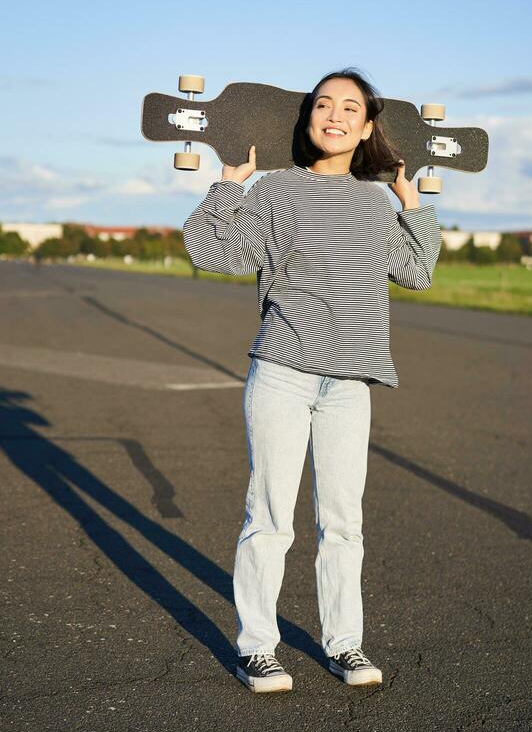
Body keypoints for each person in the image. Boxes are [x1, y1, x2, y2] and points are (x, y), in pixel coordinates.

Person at [182, 67, 442, 693]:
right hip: (283, 373)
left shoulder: (377, 202)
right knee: (271, 517)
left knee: (343, 521)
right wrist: (227, 188)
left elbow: (419, 273)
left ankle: (344, 645)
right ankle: (258, 647)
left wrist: (412, 202)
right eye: (322, 105)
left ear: (367, 127)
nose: (334, 115)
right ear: (306, 122)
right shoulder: (276, 187)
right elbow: (209, 251)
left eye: (349, 108)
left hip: (350, 383)